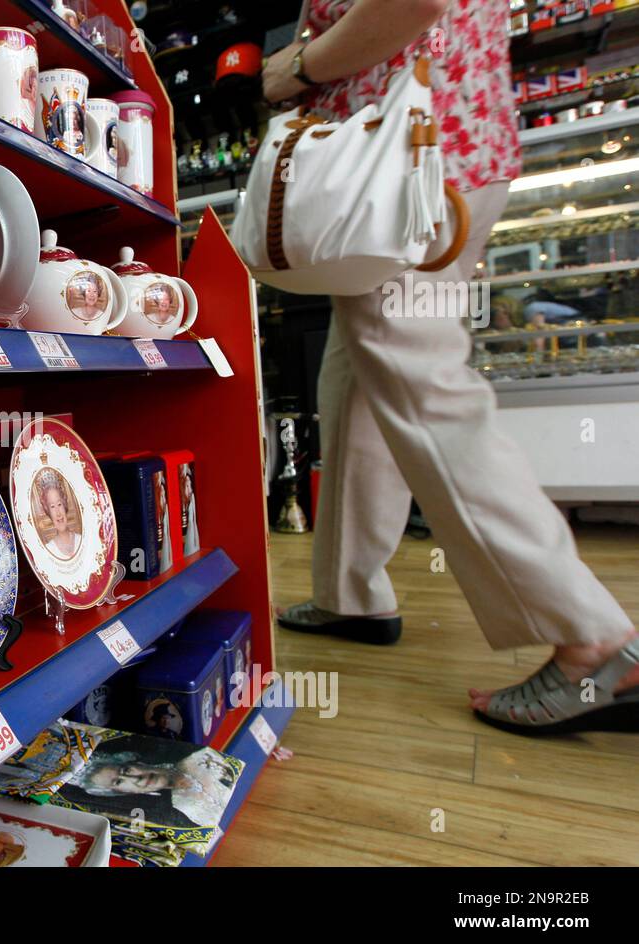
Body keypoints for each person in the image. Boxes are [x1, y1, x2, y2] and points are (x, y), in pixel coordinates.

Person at [265, 0, 638, 734]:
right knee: (361, 377)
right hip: (434, 146)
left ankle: (591, 637)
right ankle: (350, 591)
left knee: (417, 377)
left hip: (405, 161)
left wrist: (298, 67)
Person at [72, 746, 237, 828]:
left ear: (134, 761)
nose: (136, 778)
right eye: (119, 782)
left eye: (125, 770)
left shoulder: (193, 757)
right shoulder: (180, 812)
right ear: (120, 793)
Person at [37, 468, 80, 559]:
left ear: (64, 506)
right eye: (52, 506)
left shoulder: (81, 540)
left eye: (59, 504)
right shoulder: (49, 551)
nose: (58, 513)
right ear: (48, 512)